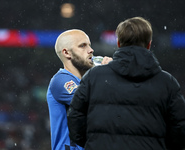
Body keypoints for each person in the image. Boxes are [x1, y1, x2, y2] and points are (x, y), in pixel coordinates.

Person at [67, 17, 185, 150]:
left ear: (118, 43)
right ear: (149, 44)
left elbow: (75, 118)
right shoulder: (167, 82)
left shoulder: (94, 77)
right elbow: (180, 129)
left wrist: (94, 142)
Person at [46, 29, 112, 150]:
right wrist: (108, 76)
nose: (91, 50)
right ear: (67, 53)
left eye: (89, 45)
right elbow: (92, 104)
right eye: (82, 46)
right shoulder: (61, 80)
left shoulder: (88, 82)